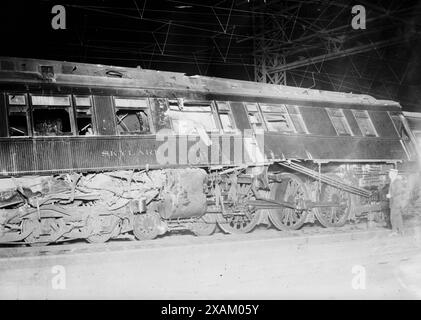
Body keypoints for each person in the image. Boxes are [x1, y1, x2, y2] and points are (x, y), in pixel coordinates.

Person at [386, 168, 406, 235]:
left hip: (397, 202)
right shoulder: (392, 181)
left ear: (394, 174)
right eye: (389, 173)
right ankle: (401, 231)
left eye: (390, 173)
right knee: (397, 216)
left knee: (393, 217)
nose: (389, 174)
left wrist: (391, 195)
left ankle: (395, 231)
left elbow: (399, 191)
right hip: (394, 202)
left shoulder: (397, 181)